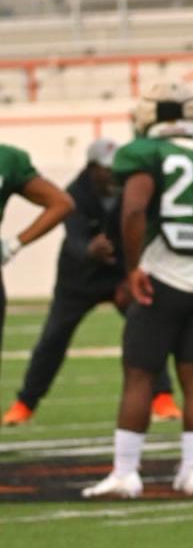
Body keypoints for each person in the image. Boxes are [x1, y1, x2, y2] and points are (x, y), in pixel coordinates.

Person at [82, 82, 193, 498]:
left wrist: (133, 269)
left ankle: (126, 473)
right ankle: (192, 472)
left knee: (139, 374)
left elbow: (133, 209)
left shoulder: (145, 153)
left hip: (162, 273)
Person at [2, 138, 180, 427]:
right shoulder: (75, 192)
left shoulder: (128, 188)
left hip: (120, 274)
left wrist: (131, 274)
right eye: (106, 169)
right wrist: (89, 249)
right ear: (92, 168)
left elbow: (141, 230)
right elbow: (73, 239)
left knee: (147, 329)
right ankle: (25, 403)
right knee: (53, 338)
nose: (112, 175)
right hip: (79, 279)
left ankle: (162, 397)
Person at [0, 143, 74, 381]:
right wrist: (12, 245)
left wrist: (13, 245)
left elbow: (61, 204)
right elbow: (62, 203)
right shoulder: (7, 158)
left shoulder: (8, 159)